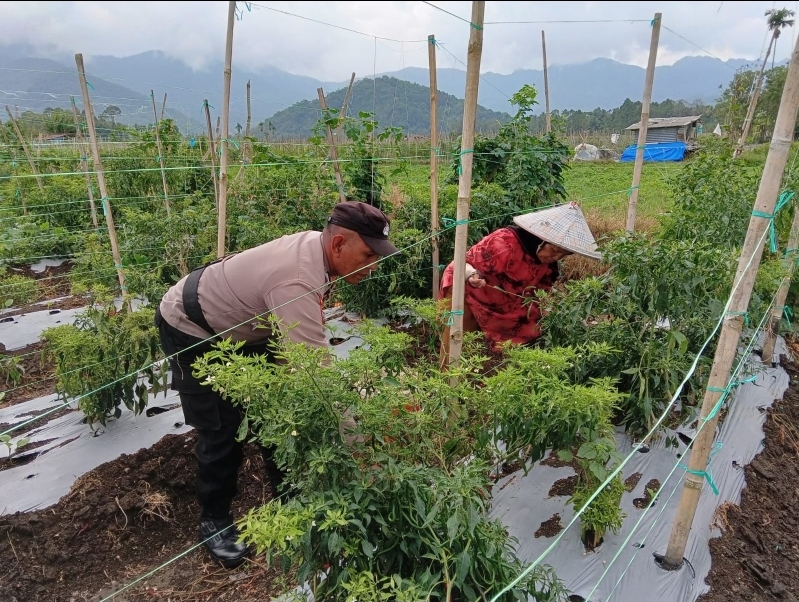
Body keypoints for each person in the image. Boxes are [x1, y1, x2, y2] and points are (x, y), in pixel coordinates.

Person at [154, 200, 398, 569]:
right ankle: (214, 521)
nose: (373, 266)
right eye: (367, 255)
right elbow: (316, 375)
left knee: (280, 412)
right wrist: (357, 445)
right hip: (192, 327)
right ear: (338, 244)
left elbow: (297, 363)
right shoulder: (297, 277)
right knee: (222, 428)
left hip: (248, 325)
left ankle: (289, 498)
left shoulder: (317, 253)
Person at [439, 202, 601, 356]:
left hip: (497, 299)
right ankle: (447, 382)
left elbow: (540, 296)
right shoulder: (505, 244)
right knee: (458, 341)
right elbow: (460, 265)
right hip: (467, 290)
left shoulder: (545, 265)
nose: (555, 257)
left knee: (530, 328)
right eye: (553, 250)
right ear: (541, 240)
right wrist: (472, 275)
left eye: (562, 254)